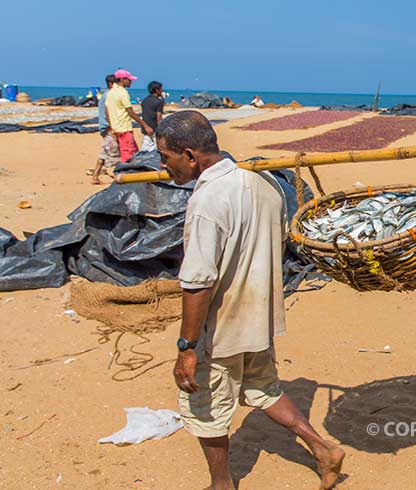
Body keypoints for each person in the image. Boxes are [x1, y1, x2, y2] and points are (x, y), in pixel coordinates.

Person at [157, 111, 345, 490]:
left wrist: (187, 346)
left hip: (222, 326)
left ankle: (222, 484)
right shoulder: (265, 182)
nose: (164, 168)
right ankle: (323, 449)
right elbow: (276, 242)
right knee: (263, 388)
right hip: (258, 317)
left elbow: (197, 282)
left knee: (205, 406)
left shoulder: (208, 202)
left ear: (190, 155)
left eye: (166, 157)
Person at [104, 68, 153, 163]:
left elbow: (107, 112)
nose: (131, 82)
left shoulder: (110, 93)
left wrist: (111, 126)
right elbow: (130, 112)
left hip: (116, 129)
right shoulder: (122, 93)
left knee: (132, 152)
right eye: (129, 80)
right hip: (124, 129)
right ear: (122, 80)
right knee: (128, 155)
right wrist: (145, 125)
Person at [90, 74, 120, 184]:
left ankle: (95, 176)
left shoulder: (105, 95)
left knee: (104, 153)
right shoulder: (109, 95)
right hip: (108, 127)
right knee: (115, 151)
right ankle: (116, 174)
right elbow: (108, 112)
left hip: (105, 127)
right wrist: (112, 127)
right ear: (112, 84)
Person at [140, 80, 165, 152]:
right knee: (156, 148)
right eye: (161, 89)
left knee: (146, 147)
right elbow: (159, 117)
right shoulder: (158, 102)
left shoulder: (145, 100)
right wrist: (161, 129)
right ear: (157, 90)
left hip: (146, 127)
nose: (162, 91)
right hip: (154, 128)